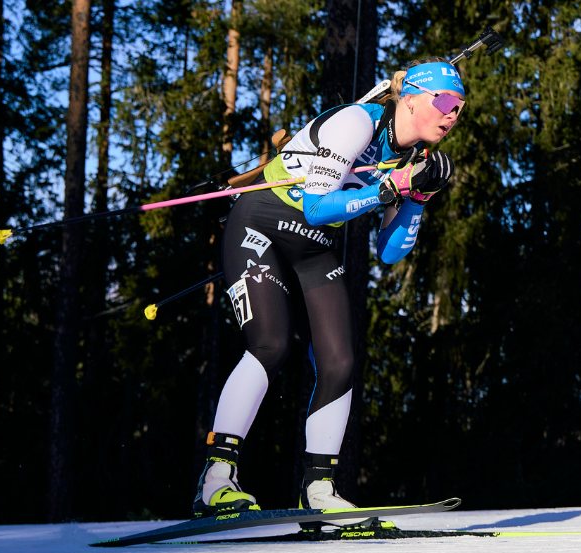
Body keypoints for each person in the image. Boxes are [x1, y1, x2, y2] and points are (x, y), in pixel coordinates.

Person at [192, 57, 466, 522]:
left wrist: (417, 198)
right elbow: (316, 207)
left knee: (339, 361)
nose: (452, 114)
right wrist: (388, 189)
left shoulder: (412, 158)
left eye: (460, 106)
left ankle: (318, 489)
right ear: (411, 99)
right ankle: (216, 480)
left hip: (312, 245)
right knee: (271, 344)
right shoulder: (357, 121)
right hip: (263, 221)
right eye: (444, 102)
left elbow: (389, 252)